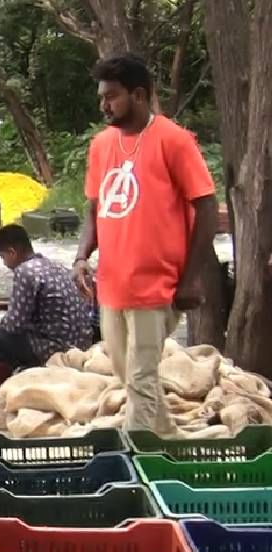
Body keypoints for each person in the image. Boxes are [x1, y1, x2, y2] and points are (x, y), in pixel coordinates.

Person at [72, 54, 217, 434]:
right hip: (113, 285)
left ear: (139, 95)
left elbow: (206, 205)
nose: (104, 104)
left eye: (112, 96)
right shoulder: (102, 145)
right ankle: (169, 441)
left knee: (141, 379)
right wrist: (80, 257)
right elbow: (94, 207)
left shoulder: (173, 140)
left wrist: (190, 278)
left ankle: (135, 465)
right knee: (128, 376)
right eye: (101, 97)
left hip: (157, 285)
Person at [0, 224, 93, 370]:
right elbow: (46, 305)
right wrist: (3, 305)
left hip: (55, 348)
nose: (4, 263)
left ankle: (29, 368)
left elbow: (13, 325)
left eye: (3, 257)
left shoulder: (24, 271)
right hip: (81, 342)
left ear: (12, 252)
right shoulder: (52, 265)